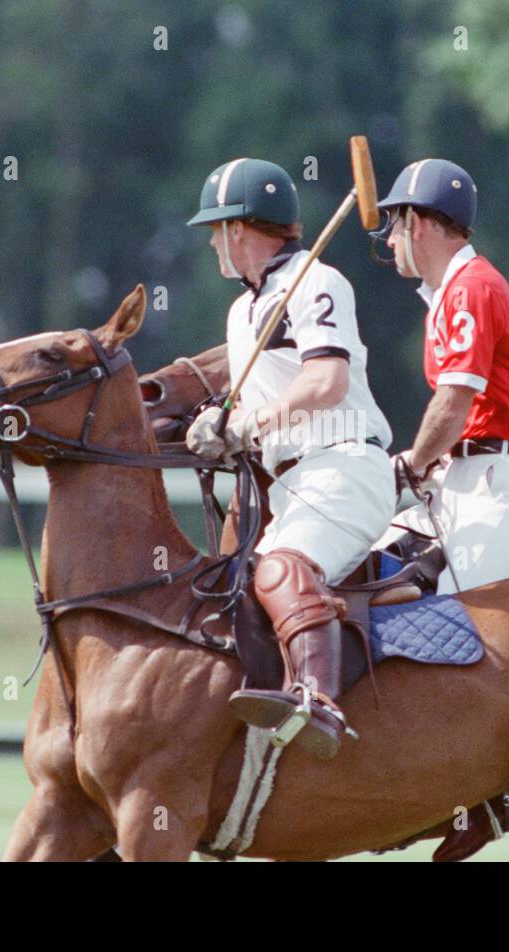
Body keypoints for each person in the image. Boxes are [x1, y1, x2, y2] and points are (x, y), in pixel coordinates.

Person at [370, 157, 509, 860]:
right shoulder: (453, 292)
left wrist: (411, 464)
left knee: (431, 618)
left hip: (500, 488)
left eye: (393, 228)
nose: (389, 244)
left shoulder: (472, 285)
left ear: (417, 223)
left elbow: (455, 401)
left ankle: (492, 791)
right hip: (467, 479)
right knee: (359, 577)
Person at [184, 157, 395, 759]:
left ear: (241, 229)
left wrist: (248, 422)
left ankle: (317, 702)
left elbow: (325, 381)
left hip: (343, 466)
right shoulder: (243, 308)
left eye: (215, 231)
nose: (212, 246)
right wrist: (216, 422)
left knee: (280, 566)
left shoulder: (317, 283)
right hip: (286, 481)